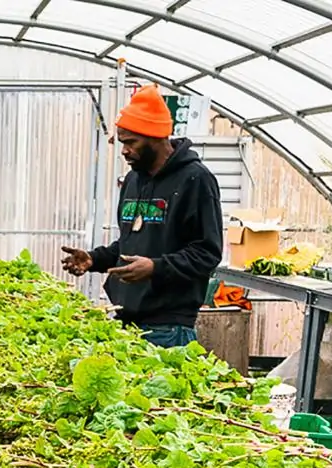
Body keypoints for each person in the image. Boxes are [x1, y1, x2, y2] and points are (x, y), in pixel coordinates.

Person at [61, 84, 224, 348]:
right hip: (127, 319)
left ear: (156, 137)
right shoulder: (133, 181)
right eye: (122, 142)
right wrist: (94, 259)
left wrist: (155, 268)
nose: (124, 150)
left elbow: (208, 252)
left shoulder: (195, 180)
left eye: (130, 142)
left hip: (168, 328)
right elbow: (130, 245)